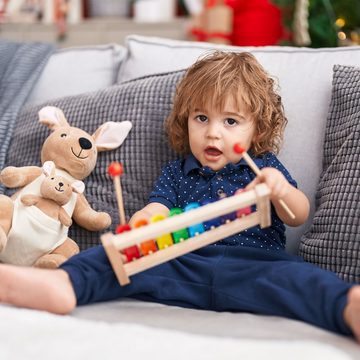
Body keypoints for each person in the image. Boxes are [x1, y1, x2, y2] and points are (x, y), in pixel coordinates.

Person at [1, 51, 360, 341]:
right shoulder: (177, 171)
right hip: (180, 262)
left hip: (253, 267)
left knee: (301, 279)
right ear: (186, 121)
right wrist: (144, 222)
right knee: (112, 261)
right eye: (201, 118)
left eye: (230, 121)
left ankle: (347, 305)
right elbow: (157, 207)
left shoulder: (263, 168)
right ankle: (64, 284)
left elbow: (297, 213)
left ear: (257, 129)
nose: (213, 133)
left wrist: (281, 191)